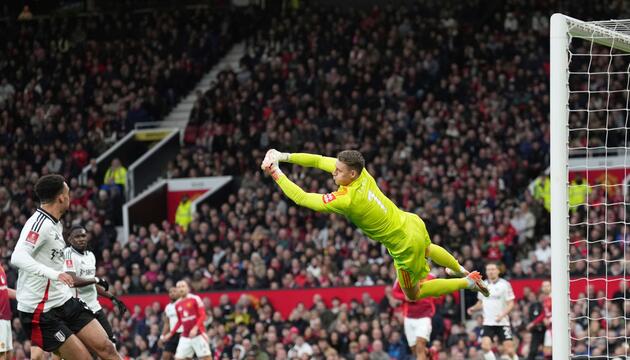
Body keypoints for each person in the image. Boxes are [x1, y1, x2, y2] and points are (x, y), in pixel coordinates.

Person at [261, 149, 489, 300]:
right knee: (428, 248)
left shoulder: (347, 200)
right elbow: (319, 160)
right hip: (411, 222)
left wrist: (275, 171)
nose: (334, 171)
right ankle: (460, 268)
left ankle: (466, 282)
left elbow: (302, 198)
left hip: (404, 246)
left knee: (413, 293)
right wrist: (284, 155)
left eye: (339, 171)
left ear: (351, 173)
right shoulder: (361, 174)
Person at [10, 174, 121, 360]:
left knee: (107, 349)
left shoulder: (57, 225)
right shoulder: (39, 224)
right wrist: (55, 274)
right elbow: (18, 256)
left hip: (63, 300)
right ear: (61, 197)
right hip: (41, 311)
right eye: (68, 193)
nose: (70, 197)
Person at [63, 225, 129, 346]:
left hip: (94, 306)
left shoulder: (90, 256)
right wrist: (96, 279)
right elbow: (72, 281)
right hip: (79, 308)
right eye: (77, 236)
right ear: (70, 240)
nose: (81, 239)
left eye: (83, 235)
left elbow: (91, 284)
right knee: (89, 347)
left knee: (111, 342)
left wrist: (112, 298)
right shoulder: (68, 253)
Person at [467, 262, 517, 360]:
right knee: (485, 346)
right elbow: (480, 302)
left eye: (493, 269)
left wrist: (502, 315)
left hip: (502, 322)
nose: (491, 271)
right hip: (488, 322)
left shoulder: (505, 284)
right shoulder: (482, 284)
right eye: (488, 269)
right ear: (486, 272)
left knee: (510, 350)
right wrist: (473, 308)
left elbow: (511, 303)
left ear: (498, 271)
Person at [161, 281, 212, 360]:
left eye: (183, 286)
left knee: (206, 358)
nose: (181, 289)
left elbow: (203, 315)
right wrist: (170, 334)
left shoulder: (195, 299)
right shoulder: (177, 305)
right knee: (179, 358)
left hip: (198, 334)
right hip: (185, 336)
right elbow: (180, 321)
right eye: (179, 287)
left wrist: (195, 328)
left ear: (187, 288)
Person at [392, 275, 436, 360]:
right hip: (409, 316)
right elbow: (395, 292)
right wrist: (405, 297)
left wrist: (429, 298)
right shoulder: (403, 276)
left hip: (425, 316)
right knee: (415, 350)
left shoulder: (431, 276)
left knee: (420, 345)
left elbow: (439, 291)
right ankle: (429, 353)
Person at [526, 281, 551, 360]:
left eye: (547, 285)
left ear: (551, 286)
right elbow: (544, 314)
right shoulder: (546, 299)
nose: (546, 287)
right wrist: (533, 323)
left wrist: (549, 319)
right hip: (549, 328)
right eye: (544, 286)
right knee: (547, 352)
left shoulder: (555, 297)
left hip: (555, 327)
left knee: (555, 350)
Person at [161, 287, 183, 360]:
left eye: (174, 291)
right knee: (165, 355)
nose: (172, 293)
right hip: (172, 334)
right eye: (170, 292)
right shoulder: (168, 307)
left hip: (183, 334)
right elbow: (167, 323)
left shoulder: (182, 304)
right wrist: (162, 336)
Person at [0, 263, 16, 360]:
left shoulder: (1, 268)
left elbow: (4, 291)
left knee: (9, 354)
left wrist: (24, 296)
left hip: (6, 317)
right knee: (1, 354)